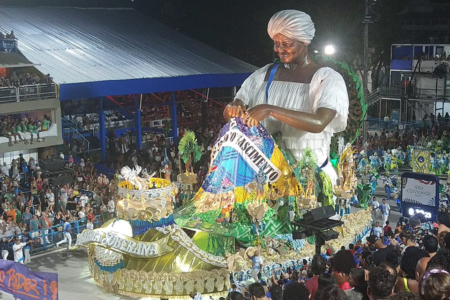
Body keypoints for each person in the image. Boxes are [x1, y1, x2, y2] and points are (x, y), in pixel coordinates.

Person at [224, 9, 348, 189]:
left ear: (303, 42)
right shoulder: (265, 74)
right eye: (276, 44)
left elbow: (319, 122)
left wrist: (270, 109)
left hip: (310, 184)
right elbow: (233, 115)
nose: (279, 50)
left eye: (286, 44)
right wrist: (233, 107)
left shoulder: (327, 78)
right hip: (265, 181)